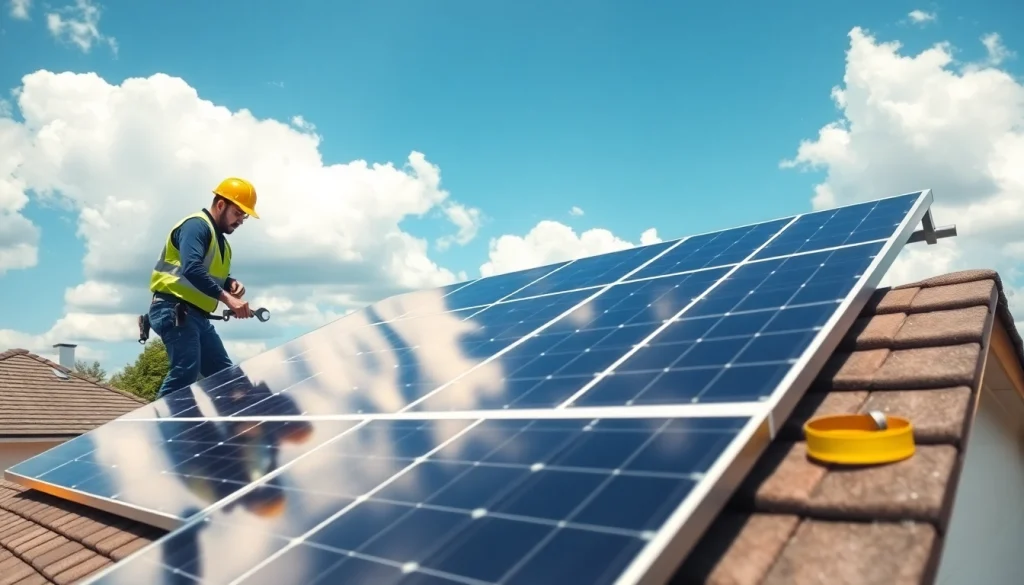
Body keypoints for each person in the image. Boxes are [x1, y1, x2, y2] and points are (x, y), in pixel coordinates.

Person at [148, 177, 260, 399]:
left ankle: (235, 430)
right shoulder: (196, 226)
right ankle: (162, 430)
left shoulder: (222, 243)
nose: (241, 221)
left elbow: (210, 272)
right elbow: (192, 268)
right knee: (185, 373)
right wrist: (229, 299)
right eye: (238, 213)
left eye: (244, 216)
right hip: (173, 309)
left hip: (196, 316)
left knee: (226, 377)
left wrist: (229, 282)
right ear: (221, 205)